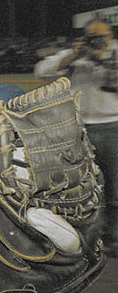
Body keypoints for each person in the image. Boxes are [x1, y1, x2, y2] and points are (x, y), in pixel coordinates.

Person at [35, 17, 118, 253]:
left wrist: (101, 59)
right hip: (78, 128)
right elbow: (41, 71)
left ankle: (113, 236)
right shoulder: (76, 55)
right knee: (74, 186)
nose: (96, 41)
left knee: (115, 187)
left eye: (100, 36)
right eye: (92, 35)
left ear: (110, 36)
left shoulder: (115, 53)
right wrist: (72, 56)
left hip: (113, 125)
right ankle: (76, 236)